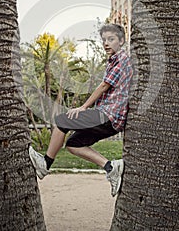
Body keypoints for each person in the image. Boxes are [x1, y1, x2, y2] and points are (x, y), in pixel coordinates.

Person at [29, 23, 133, 197]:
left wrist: (84, 106)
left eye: (111, 39)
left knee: (62, 121)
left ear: (121, 41)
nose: (106, 43)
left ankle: (45, 164)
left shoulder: (122, 59)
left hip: (108, 115)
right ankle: (111, 167)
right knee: (73, 144)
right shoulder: (115, 60)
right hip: (111, 120)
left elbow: (104, 86)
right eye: (104, 40)